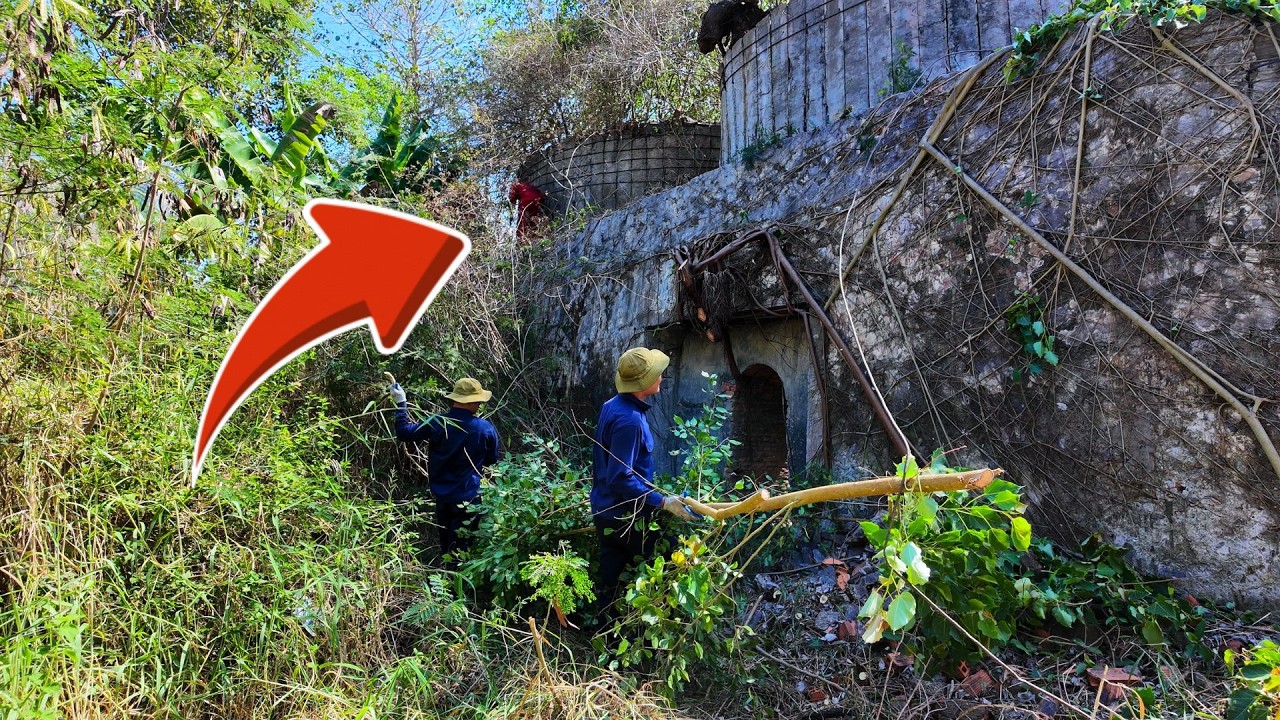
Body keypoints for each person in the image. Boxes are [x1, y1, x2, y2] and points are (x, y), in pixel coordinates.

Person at [591, 347, 699, 615]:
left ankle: (606, 632)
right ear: (644, 383)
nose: (662, 377)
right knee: (668, 562)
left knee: (611, 579)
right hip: (624, 516)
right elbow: (620, 478)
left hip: (606, 509)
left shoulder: (612, 406)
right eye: (657, 373)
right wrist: (663, 502)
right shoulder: (629, 421)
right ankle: (651, 629)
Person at [390, 375, 501, 565]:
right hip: (469, 498)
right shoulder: (484, 429)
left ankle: (445, 584)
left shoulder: (437, 422)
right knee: (461, 549)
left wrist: (401, 404)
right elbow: (492, 460)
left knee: (447, 545)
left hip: (442, 496)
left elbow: (404, 433)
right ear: (472, 402)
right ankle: (455, 588)